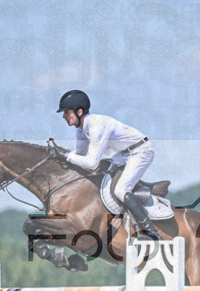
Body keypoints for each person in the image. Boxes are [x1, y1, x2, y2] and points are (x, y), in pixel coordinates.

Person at [56, 89, 158, 239]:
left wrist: (66, 156)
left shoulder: (97, 125)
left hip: (140, 151)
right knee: (103, 171)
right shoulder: (80, 129)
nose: (64, 116)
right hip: (123, 154)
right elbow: (79, 155)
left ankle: (150, 232)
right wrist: (60, 157)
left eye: (66, 112)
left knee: (121, 190)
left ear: (79, 111)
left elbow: (90, 163)